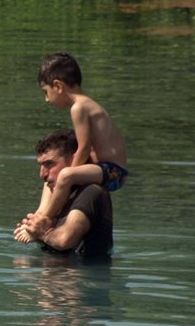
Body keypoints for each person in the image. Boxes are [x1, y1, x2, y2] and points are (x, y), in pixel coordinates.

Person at [25, 53, 127, 230]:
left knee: (64, 175)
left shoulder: (78, 108)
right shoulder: (85, 104)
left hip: (113, 173)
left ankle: (45, 220)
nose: (47, 99)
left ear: (58, 86)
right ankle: (41, 213)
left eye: (46, 92)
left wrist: (69, 174)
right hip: (104, 169)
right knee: (55, 174)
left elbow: (84, 148)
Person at [14, 129, 113, 259]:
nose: (42, 174)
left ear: (73, 160)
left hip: (81, 275)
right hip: (53, 270)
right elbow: (43, 225)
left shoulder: (91, 192)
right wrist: (32, 230)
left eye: (49, 164)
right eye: (41, 165)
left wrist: (41, 233)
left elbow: (65, 240)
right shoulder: (55, 189)